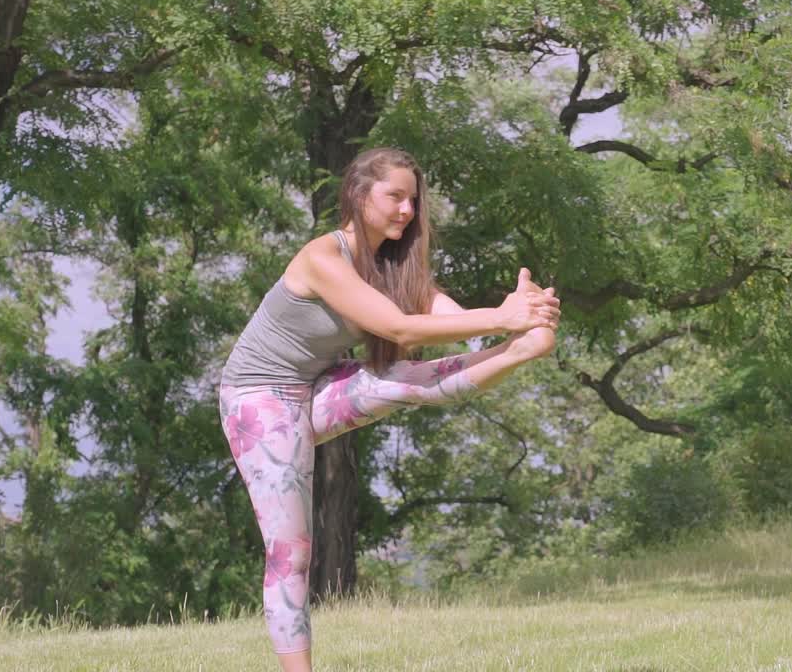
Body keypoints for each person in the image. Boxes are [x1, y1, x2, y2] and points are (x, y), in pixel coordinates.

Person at [218, 147, 560, 672]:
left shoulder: (394, 267)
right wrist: (505, 314)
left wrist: (523, 320)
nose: (407, 210)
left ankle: (518, 355)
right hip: (259, 399)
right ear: (359, 195)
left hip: (313, 387)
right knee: (292, 551)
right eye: (395, 196)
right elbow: (398, 328)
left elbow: (459, 320)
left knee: (406, 382)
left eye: (413, 200)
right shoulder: (322, 257)